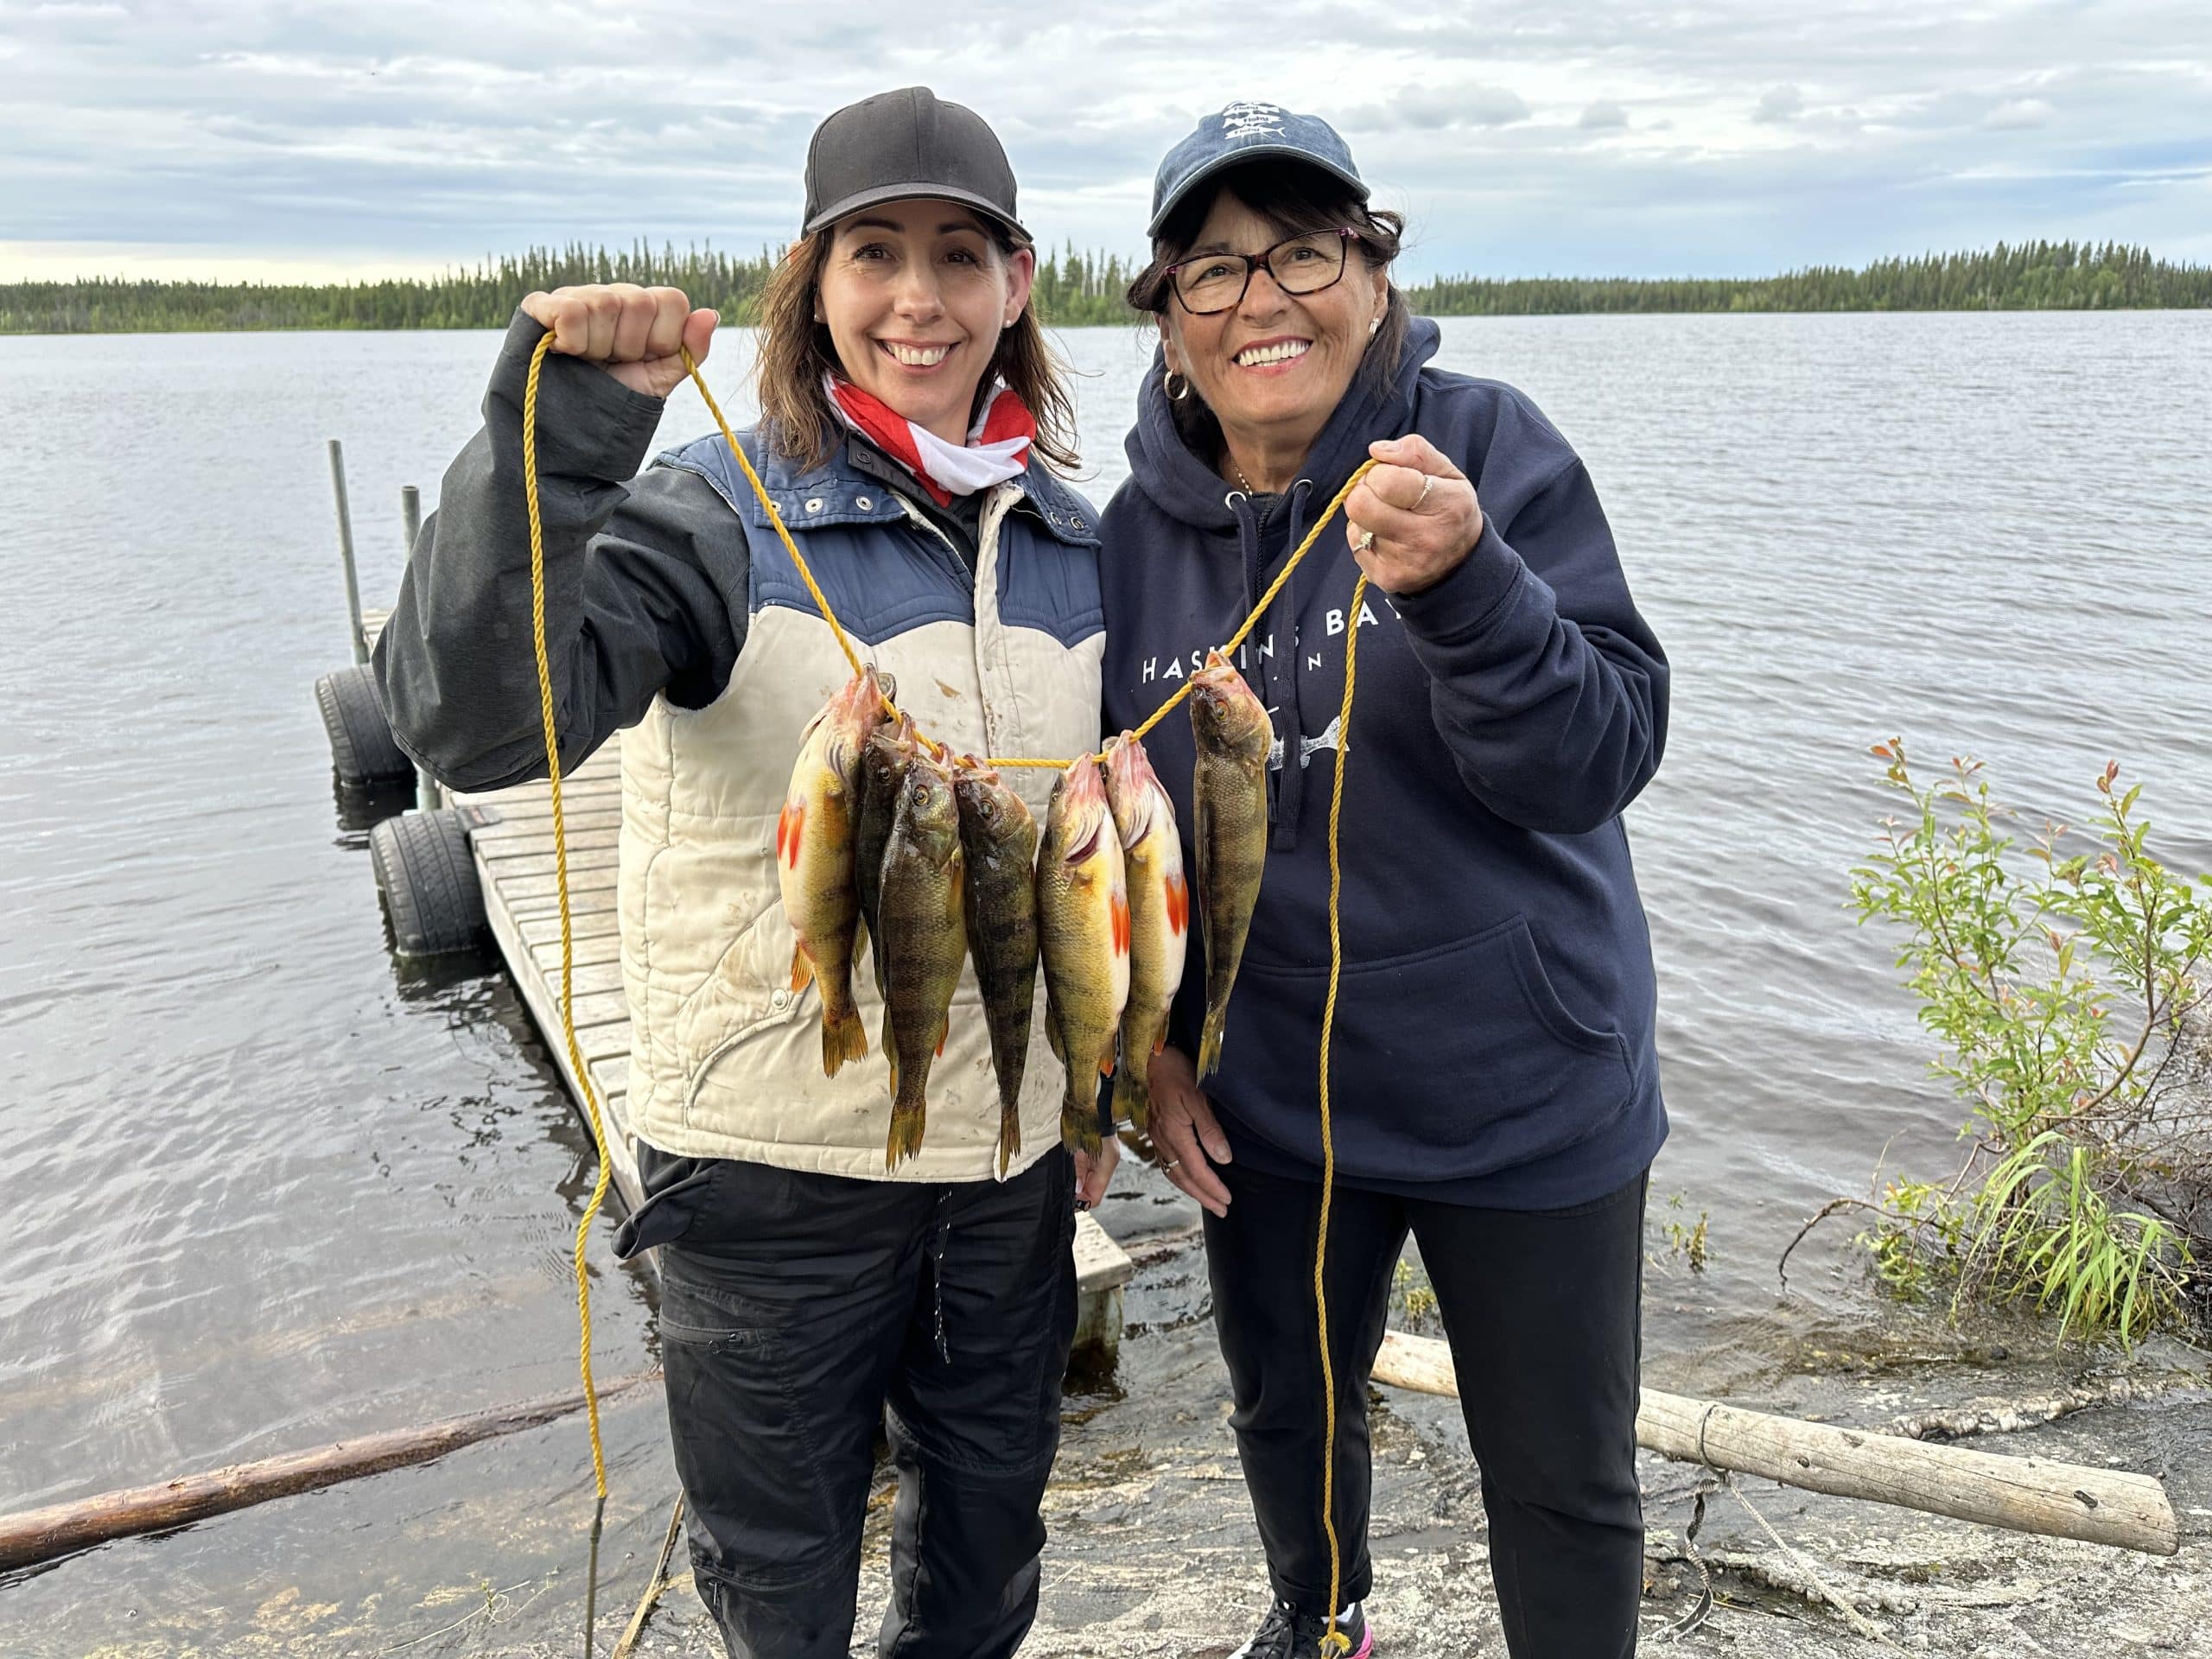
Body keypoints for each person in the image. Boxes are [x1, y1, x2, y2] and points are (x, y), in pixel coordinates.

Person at [376, 86, 1116, 1659]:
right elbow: (476, 721)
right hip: (768, 1181)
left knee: (989, 1558)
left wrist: (1102, 1086)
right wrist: (564, 435)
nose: (919, 298)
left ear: (1018, 283)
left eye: (959, 254)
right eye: (875, 252)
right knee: (781, 1586)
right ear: (812, 280)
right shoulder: (709, 513)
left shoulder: (1074, 540)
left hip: (1006, 1178)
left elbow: (1109, 883)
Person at [1097, 103, 1669, 1659]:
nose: (1261, 299)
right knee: (1288, 1418)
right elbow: (1114, 846)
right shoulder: (1127, 539)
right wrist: (1148, 1053)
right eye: (1215, 268)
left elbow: (1604, 753)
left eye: (1303, 251)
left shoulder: (1485, 451)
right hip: (1270, 1116)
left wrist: (1474, 587)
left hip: (1527, 1090)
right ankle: (1322, 1623)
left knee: (1561, 1480)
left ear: (1372, 272)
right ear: (1167, 311)